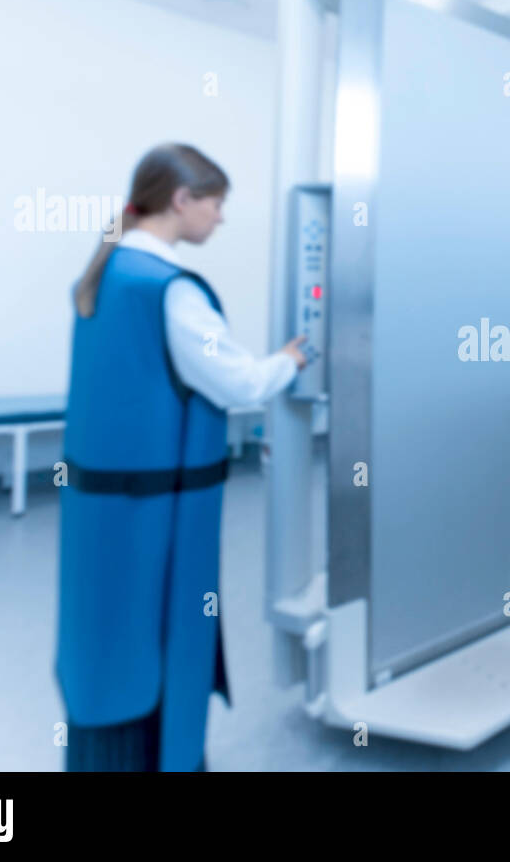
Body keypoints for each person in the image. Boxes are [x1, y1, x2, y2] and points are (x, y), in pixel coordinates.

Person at [56, 143, 306, 771]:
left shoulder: (105, 275)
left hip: (99, 513)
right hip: (159, 514)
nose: (220, 218)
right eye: (216, 204)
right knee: (159, 635)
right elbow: (240, 384)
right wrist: (292, 361)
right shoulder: (170, 290)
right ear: (182, 200)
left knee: (108, 642)